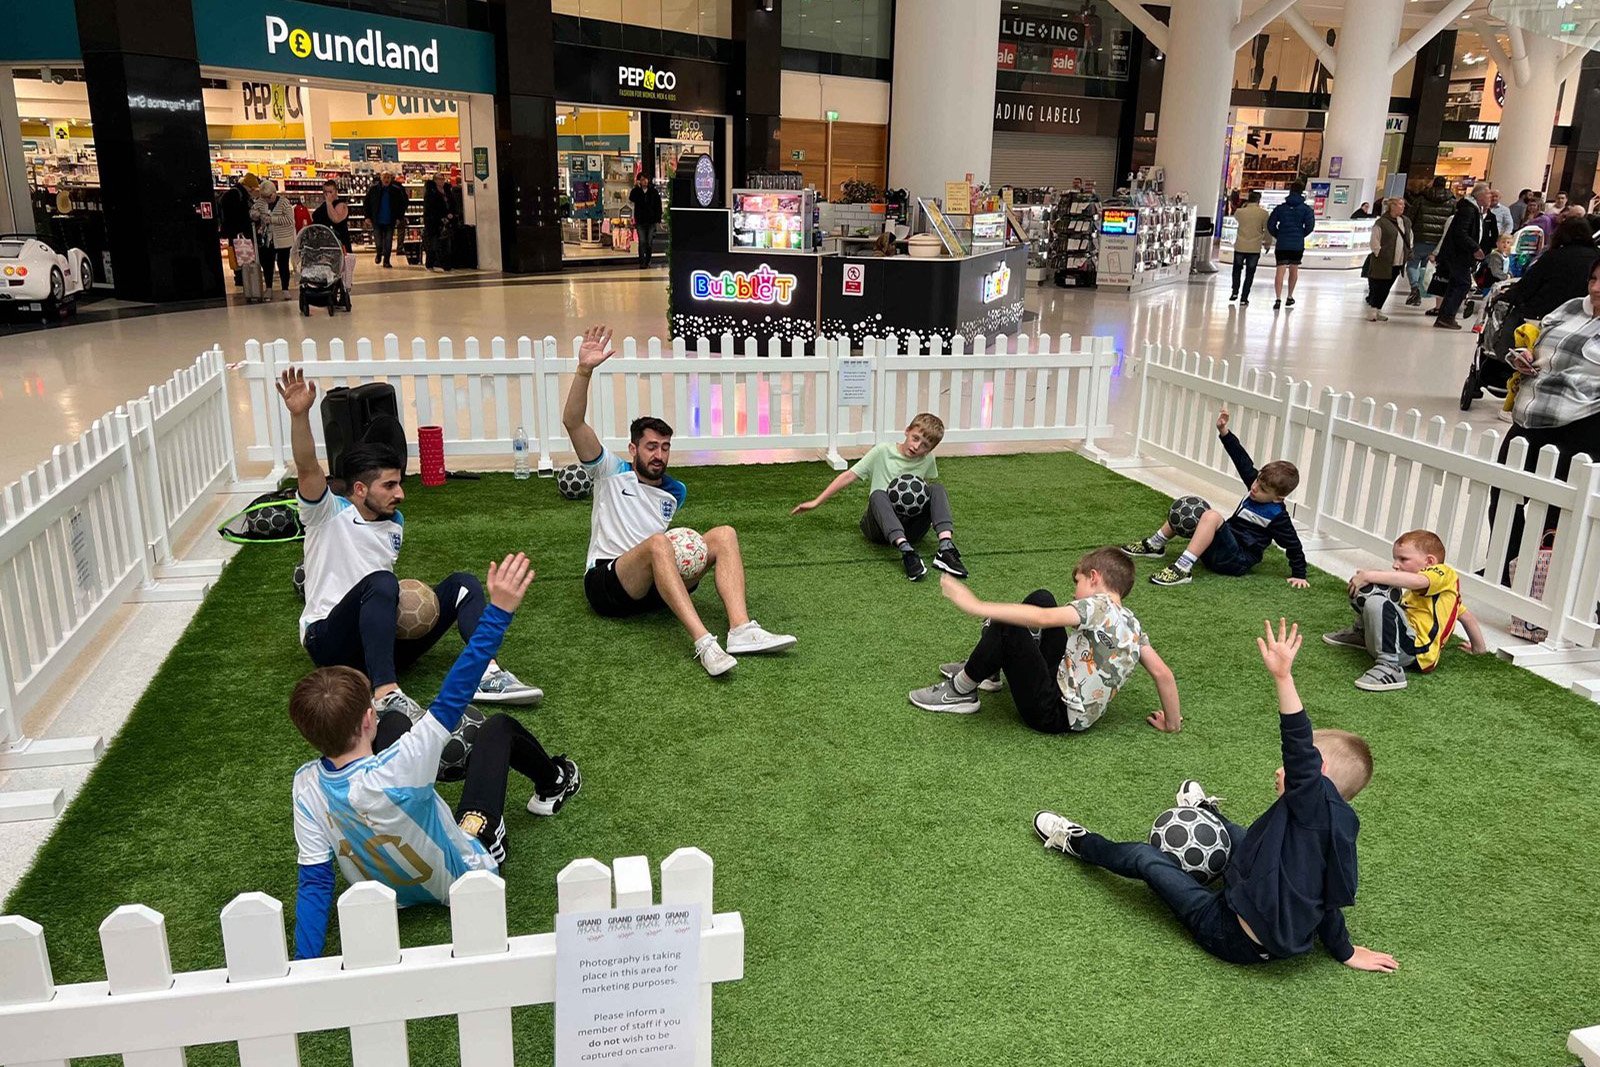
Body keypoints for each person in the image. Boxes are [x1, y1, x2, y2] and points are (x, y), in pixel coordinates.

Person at [1032, 619, 1397, 974]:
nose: (1279, 770)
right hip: (1260, 884)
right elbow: (1328, 899)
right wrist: (1345, 951)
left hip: (1230, 932)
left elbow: (1298, 745)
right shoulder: (1331, 823)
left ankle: (1076, 841)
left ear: (1316, 774)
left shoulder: (1311, 802)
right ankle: (1207, 812)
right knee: (1245, 836)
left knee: (1146, 860)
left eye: (1293, 768)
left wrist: (1283, 677)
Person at [289, 553, 582, 960]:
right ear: (368, 718)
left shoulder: (305, 787)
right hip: (465, 876)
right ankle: (554, 782)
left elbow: (316, 883)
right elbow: (456, 690)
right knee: (496, 729)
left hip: (388, 893)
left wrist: (303, 963)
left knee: (399, 724)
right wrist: (498, 612)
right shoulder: (403, 763)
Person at [276, 367, 541, 718]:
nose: (400, 494)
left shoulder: (394, 523)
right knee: (382, 582)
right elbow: (308, 467)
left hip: (379, 641)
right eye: (389, 485)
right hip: (330, 643)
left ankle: (487, 674)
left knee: (462, 584)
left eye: (399, 483)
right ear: (360, 489)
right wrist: (299, 416)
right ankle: (386, 694)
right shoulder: (326, 514)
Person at [562, 325, 796, 677]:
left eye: (665, 447)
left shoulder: (675, 491)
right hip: (609, 584)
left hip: (653, 587)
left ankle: (740, 630)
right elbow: (573, 421)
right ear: (633, 449)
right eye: (651, 447)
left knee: (724, 534)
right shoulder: (610, 472)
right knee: (658, 543)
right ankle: (704, 643)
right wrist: (584, 371)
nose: (659, 455)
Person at [907, 552, 1181, 733]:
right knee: (1043, 597)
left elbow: (1043, 618)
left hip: (1052, 713)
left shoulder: (1096, 606)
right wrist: (1171, 723)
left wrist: (975, 605)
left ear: (1094, 577)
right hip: (1064, 691)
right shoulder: (1133, 625)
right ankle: (988, 670)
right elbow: (1163, 674)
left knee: (1009, 624)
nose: (1074, 592)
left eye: (1078, 582)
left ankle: (961, 690)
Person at [1488, 255, 1600, 580]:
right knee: (1504, 493)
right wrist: (1526, 355)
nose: (1596, 288)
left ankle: (1538, 579)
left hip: (1580, 424)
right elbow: (1538, 344)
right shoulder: (1571, 308)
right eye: (1593, 279)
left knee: (1555, 509)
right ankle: (1506, 568)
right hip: (1530, 415)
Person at [1123, 408, 1309, 589]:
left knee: (1212, 516)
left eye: (1262, 489)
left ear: (1278, 498)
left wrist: (1299, 574)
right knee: (1192, 508)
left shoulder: (1277, 516)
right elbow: (1240, 458)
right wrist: (1224, 431)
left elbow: (1293, 544)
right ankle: (1155, 544)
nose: (1254, 488)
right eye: (1257, 481)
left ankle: (1182, 569)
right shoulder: (1255, 485)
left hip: (1236, 561)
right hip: (1219, 548)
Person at [791, 413, 968, 581]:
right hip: (878, 528)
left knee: (936, 488)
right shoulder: (883, 451)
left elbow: (923, 490)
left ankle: (945, 549)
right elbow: (849, 476)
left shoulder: (928, 460)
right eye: (915, 438)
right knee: (878, 494)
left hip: (911, 529)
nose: (917, 447)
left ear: (930, 450)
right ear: (907, 431)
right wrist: (816, 502)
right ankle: (907, 553)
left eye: (925, 446)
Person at [1323, 530, 1487, 691]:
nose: (1395, 565)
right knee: (1373, 591)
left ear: (1429, 562)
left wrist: (1369, 575)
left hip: (1417, 651)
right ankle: (1362, 635)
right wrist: (1478, 649)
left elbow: (1417, 581)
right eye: (1395, 559)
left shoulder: (1445, 573)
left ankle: (1390, 667)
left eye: (1403, 559)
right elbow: (1467, 617)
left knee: (1378, 601)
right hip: (1401, 643)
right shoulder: (1424, 596)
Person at [1430, 182, 1489, 330]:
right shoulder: (1469, 210)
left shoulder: (1473, 209)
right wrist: (1474, 248)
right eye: (1488, 194)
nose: (1490, 197)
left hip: (1459, 254)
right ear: (1480, 195)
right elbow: (1460, 232)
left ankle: (1445, 316)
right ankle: (1446, 316)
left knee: (1456, 284)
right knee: (1463, 283)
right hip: (1457, 255)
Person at [1404, 176, 1455, 307]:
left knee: (1412, 264)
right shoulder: (1452, 201)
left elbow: (1410, 217)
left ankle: (1414, 288)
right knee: (1427, 267)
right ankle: (1422, 290)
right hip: (1438, 241)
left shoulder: (1421, 199)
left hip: (1420, 237)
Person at [1266, 180, 1315, 311]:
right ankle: (1289, 296)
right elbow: (1310, 226)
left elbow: (1270, 224)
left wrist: (1278, 234)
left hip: (1282, 243)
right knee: (1294, 270)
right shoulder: (1306, 210)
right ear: (1302, 192)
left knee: (1280, 271)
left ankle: (1278, 298)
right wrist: (1301, 234)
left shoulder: (1280, 208)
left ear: (1290, 191)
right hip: (1297, 244)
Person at [1364, 196, 1412, 322]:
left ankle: (1378, 309)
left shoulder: (1405, 221)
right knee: (1379, 285)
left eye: (1403, 204)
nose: (1403, 207)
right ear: (1392, 206)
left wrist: (1408, 250)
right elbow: (1375, 240)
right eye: (1400, 204)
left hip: (1398, 261)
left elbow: (1409, 236)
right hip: (1383, 261)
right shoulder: (1381, 222)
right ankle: (1373, 309)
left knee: (1387, 286)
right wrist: (1379, 252)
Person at [250, 180, 297, 296]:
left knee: (283, 264)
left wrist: (272, 219)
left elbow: (290, 220)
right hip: (267, 239)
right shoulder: (261, 202)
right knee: (267, 264)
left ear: (274, 193)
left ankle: (285, 289)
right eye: (264, 197)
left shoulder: (284, 203)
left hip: (283, 239)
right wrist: (255, 214)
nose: (267, 199)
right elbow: (252, 211)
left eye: (269, 196)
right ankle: (269, 288)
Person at [218, 173, 261, 285]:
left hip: (237, 232)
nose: (252, 191)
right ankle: (242, 280)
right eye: (252, 189)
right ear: (248, 186)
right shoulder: (236, 194)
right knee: (242, 257)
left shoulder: (236, 193)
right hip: (239, 232)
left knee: (242, 257)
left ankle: (243, 279)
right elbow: (236, 215)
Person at [1229, 190, 1269, 305]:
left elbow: (1236, 216)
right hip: (1254, 247)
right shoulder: (1263, 213)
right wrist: (1267, 243)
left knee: (1237, 270)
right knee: (1250, 273)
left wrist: (1244, 205)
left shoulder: (1240, 212)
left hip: (1240, 245)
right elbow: (1267, 230)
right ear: (1259, 200)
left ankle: (1235, 292)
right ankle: (1244, 297)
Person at [364, 171, 409, 268]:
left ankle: (387, 261)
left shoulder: (396, 190)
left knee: (388, 242)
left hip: (390, 220)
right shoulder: (373, 189)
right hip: (377, 220)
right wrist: (367, 217)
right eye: (384, 177)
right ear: (381, 178)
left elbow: (402, 204)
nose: (386, 179)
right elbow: (366, 203)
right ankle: (379, 253)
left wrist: (399, 217)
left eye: (388, 177)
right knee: (379, 242)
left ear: (391, 179)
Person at [422, 173, 459, 272]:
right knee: (433, 244)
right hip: (434, 222)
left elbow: (453, 204)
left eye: (443, 179)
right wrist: (441, 217)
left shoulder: (448, 191)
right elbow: (430, 208)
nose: (441, 181)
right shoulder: (430, 192)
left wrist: (451, 214)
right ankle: (430, 263)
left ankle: (446, 265)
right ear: (435, 180)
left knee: (446, 244)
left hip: (448, 221)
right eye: (439, 179)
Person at [629, 173, 664, 269]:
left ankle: (648, 261)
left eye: (646, 179)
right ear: (639, 181)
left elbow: (658, 205)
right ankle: (642, 262)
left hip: (651, 221)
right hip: (640, 221)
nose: (644, 181)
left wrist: (658, 218)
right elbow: (631, 198)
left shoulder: (653, 192)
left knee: (649, 242)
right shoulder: (637, 191)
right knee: (642, 241)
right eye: (642, 179)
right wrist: (636, 187)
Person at [312, 180, 352, 252]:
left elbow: (335, 219)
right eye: (325, 192)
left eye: (330, 192)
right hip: (322, 244)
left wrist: (329, 203)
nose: (328, 195)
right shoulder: (323, 206)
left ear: (336, 191)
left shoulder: (341, 205)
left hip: (338, 244)